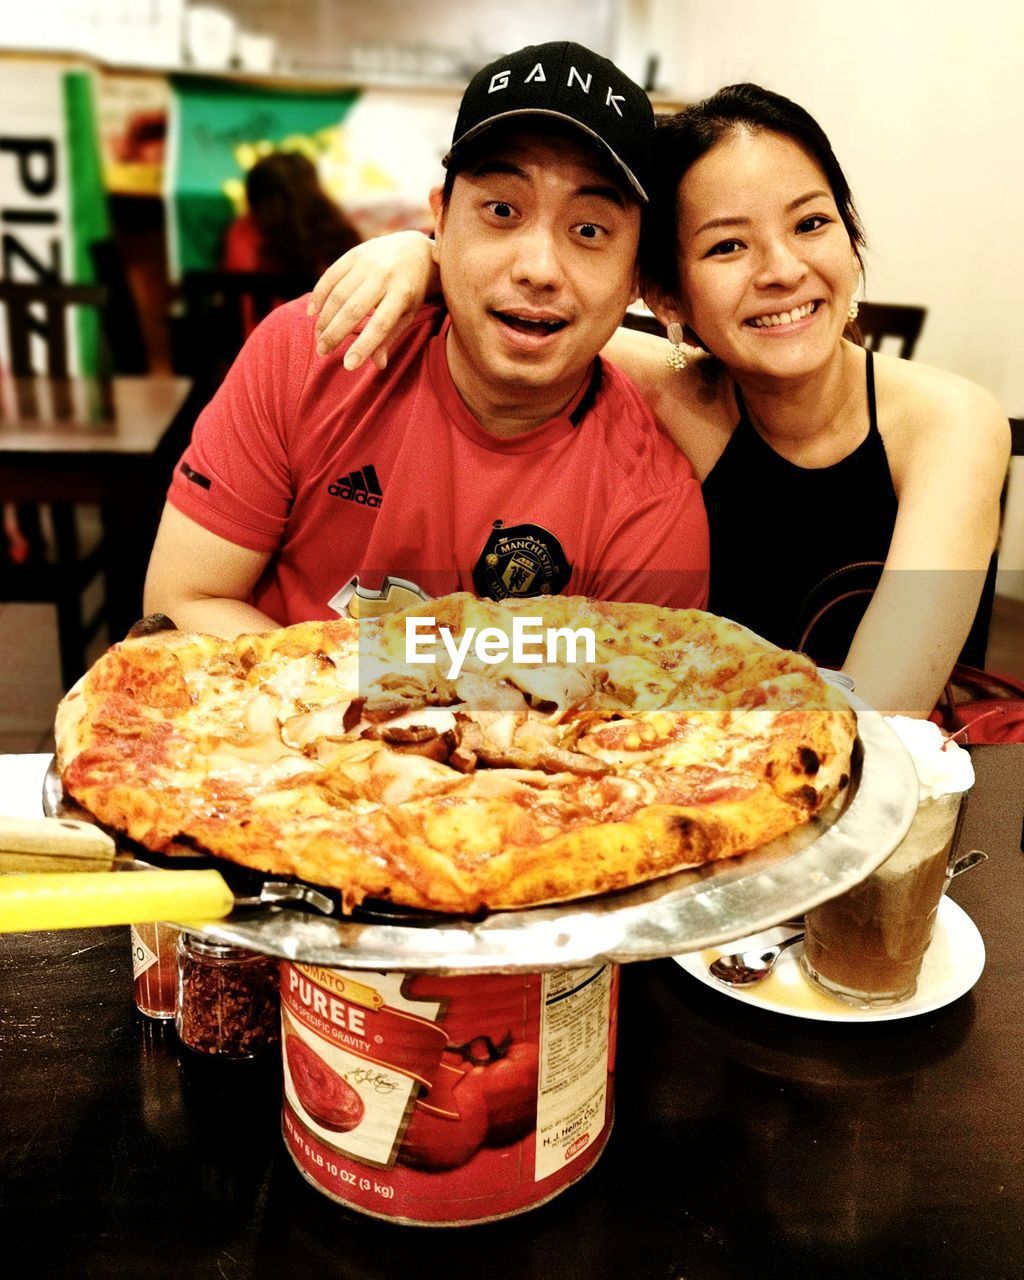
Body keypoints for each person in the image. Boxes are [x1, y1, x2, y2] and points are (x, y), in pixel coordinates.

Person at [307, 83, 1009, 718]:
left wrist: (428, 260)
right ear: (665, 296)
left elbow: (879, 718)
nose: (784, 270)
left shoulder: (949, 425)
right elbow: (535, 319)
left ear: (852, 239)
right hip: (688, 766)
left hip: (872, 794)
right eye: (728, 245)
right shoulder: (679, 397)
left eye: (812, 223)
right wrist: (424, 255)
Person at [143, 43, 709, 638]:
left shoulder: (653, 510)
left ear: (636, 277)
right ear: (438, 221)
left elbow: (616, 720)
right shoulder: (311, 351)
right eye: (501, 210)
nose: (539, 268)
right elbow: (183, 599)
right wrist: (357, 708)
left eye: (589, 229)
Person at [222, 150, 362, 280]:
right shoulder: (245, 232)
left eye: (270, 196)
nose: (264, 207)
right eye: (258, 199)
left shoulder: (335, 239)